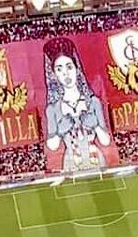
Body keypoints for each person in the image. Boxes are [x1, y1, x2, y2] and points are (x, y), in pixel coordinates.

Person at [43, 37, 113, 172]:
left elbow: (106, 141)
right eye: (59, 69)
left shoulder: (93, 102)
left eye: (69, 67)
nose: (65, 73)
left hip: (96, 159)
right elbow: (52, 146)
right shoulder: (53, 108)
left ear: (77, 69)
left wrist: (97, 126)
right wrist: (59, 133)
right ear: (54, 75)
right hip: (71, 161)